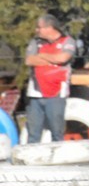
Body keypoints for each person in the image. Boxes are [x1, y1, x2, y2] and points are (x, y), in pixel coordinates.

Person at [24, 13, 77, 143]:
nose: (36, 30)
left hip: (57, 94)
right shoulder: (35, 42)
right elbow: (29, 60)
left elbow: (63, 58)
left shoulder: (67, 41)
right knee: (33, 133)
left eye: (39, 27)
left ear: (49, 28)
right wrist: (52, 59)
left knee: (56, 131)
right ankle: (33, 154)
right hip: (36, 93)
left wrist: (42, 56)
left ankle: (57, 154)